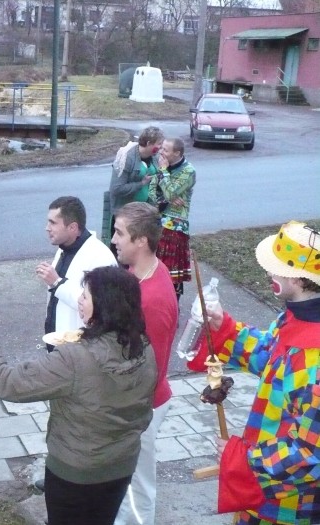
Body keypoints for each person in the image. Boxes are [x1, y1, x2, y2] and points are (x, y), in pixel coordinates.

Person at [0, 265, 157, 525]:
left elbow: (8, 382)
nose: (79, 300)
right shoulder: (144, 346)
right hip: (121, 466)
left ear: (104, 306)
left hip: (74, 472)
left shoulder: (74, 358)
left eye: (85, 296)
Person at [188, 221, 320, 525]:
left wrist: (244, 458)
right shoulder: (293, 318)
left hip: (289, 508)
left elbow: (310, 453)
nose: (269, 274)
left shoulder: (315, 361)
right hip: (264, 495)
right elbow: (269, 356)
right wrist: (226, 329)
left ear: (298, 279)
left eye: (275, 269)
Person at [110, 202, 179, 525]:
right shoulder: (137, 274)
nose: (113, 239)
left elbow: (150, 367)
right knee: (124, 480)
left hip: (141, 406)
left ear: (141, 241)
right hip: (131, 402)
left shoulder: (153, 300)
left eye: (119, 233)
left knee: (137, 489)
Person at [35, 196, 116, 352]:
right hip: (59, 344)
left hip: (79, 352)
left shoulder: (100, 257)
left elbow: (99, 308)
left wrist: (57, 283)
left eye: (53, 223)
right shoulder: (64, 247)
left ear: (72, 227)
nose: (47, 228)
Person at [149, 137, 196, 302]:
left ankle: (172, 306)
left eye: (166, 150)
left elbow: (169, 193)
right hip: (157, 223)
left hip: (175, 228)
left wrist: (163, 172)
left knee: (172, 275)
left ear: (177, 153)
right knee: (154, 269)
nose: (161, 152)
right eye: (162, 148)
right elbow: (151, 192)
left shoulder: (188, 171)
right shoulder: (163, 165)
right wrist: (167, 198)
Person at [106, 126, 164, 254]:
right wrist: (140, 184)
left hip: (144, 214)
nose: (161, 147)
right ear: (148, 143)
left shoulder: (154, 157)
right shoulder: (127, 157)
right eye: (159, 144)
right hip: (125, 216)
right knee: (123, 252)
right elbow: (116, 188)